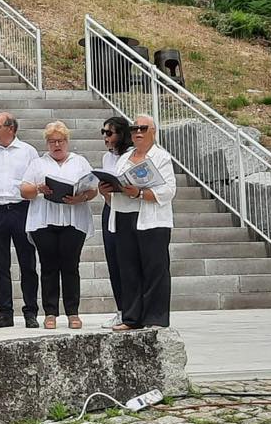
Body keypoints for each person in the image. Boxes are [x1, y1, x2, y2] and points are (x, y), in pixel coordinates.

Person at [19, 121, 97, 330]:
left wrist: (81, 197)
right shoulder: (38, 163)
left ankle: (73, 312)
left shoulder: (79, 162)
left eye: (60, 141)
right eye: (52, 141)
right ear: (47, 143)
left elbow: (93, 190)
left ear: (67, 141)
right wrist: (38, 188)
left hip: (73, 219)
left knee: (71, 266)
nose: (56, 145)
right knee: (48, 266)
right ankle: (50, 312)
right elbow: (24, 190)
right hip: (45, 220)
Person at [105, 114, 176, 331]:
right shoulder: (125, 157)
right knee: (128, 269)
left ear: (153, 132)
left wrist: (139, 193)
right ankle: (131, 316)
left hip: (152, 220)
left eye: (143, 128)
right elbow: (117, 186)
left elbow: (168, 190)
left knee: (155, 269)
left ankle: (155, 317)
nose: (138, 132)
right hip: (125, 216)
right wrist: (106, 190)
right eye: (135, 128)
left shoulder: (161, 157)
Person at [0, 111, 40, 328]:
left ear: (11, 128)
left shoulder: (28, 152)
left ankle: (31, 311)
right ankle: (5, 312)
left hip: (21, 209)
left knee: (27, 262)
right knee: (0, 264)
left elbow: (35, 181)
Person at [98, 117, 134, 329]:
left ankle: (132, 310)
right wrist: (104, 194)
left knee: (126, 262)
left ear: (121, 134)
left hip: (127, 212)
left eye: (109, 133)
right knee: (113, 261)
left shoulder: (131, 156)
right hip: (110, 209)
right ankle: (121, 309)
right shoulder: (106, 157)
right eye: (103, 132)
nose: (105, 137)